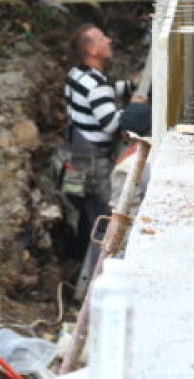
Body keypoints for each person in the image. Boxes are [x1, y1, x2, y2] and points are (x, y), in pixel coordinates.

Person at [61, 23, 144, 294]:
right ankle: (97, 291)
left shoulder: (77, 75)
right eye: (101, 38)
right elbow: (111, 123)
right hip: (94, 165)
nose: (109, 40)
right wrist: (138, 111)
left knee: (86, 219)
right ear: (92, 50)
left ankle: (77, 274)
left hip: (75, 160)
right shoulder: (97, 86)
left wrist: (130, 86)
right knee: (104, 226)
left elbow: (101, 92)